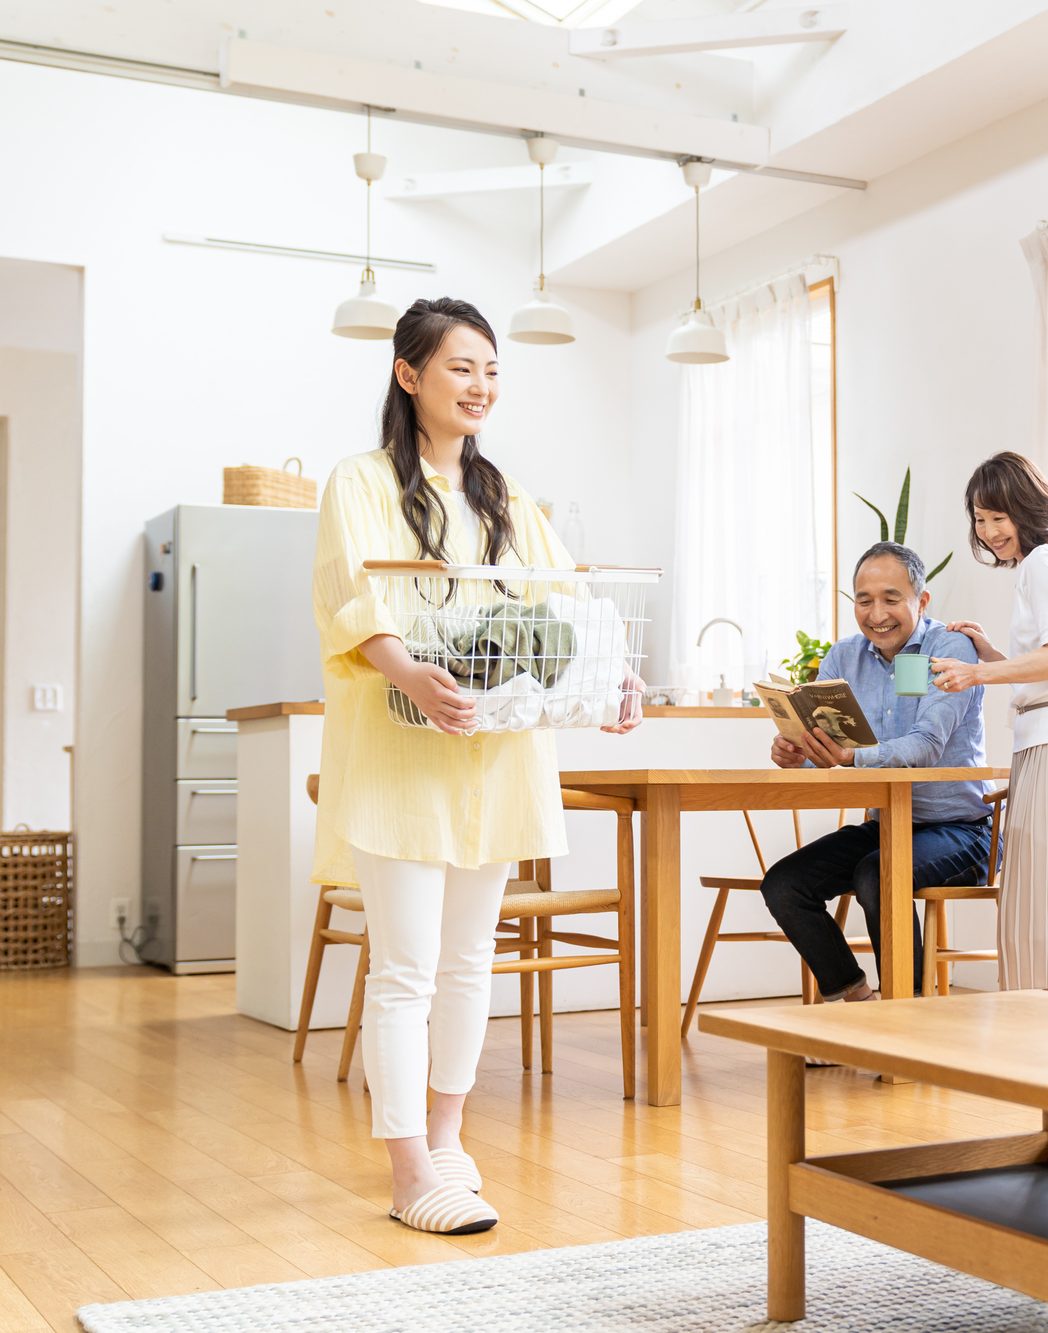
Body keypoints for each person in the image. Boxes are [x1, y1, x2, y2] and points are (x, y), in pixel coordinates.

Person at [312, 297, 643, 1236]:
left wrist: (615, 678)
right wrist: (410, 673)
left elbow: (570, 605)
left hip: (499, 756)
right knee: (407, 966)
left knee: (468, 962)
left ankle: (450, 1139)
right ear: (409, 375)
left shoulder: (510, 500)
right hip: (399, 754)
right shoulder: (361, 481)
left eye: (491, 370)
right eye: (461, 368)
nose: (481, 386)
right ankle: (409, 1165)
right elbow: (352, 593)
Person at [760, 542, 992, 1002]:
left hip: (962, 830)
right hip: (886, 824)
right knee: (784, 885)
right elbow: (829, 745)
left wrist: (847, 756)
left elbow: (926, 746)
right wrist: (798, 752)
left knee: (876, 873)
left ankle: (908, 1016)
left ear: (921, 601)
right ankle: (856, 1001)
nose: (876, 613)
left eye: (891, 598)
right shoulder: (843, 658)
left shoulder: (951, 648)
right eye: (864, 600)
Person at [932, 452, 1048, 993]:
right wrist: (988, 651)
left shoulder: (1044, 564)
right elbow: (1046, 666)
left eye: (999, 517)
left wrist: (974, 673)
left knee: (1046, 891)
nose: (989, 532)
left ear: (1026, 509)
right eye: (980, 519)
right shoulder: (1045, 566)